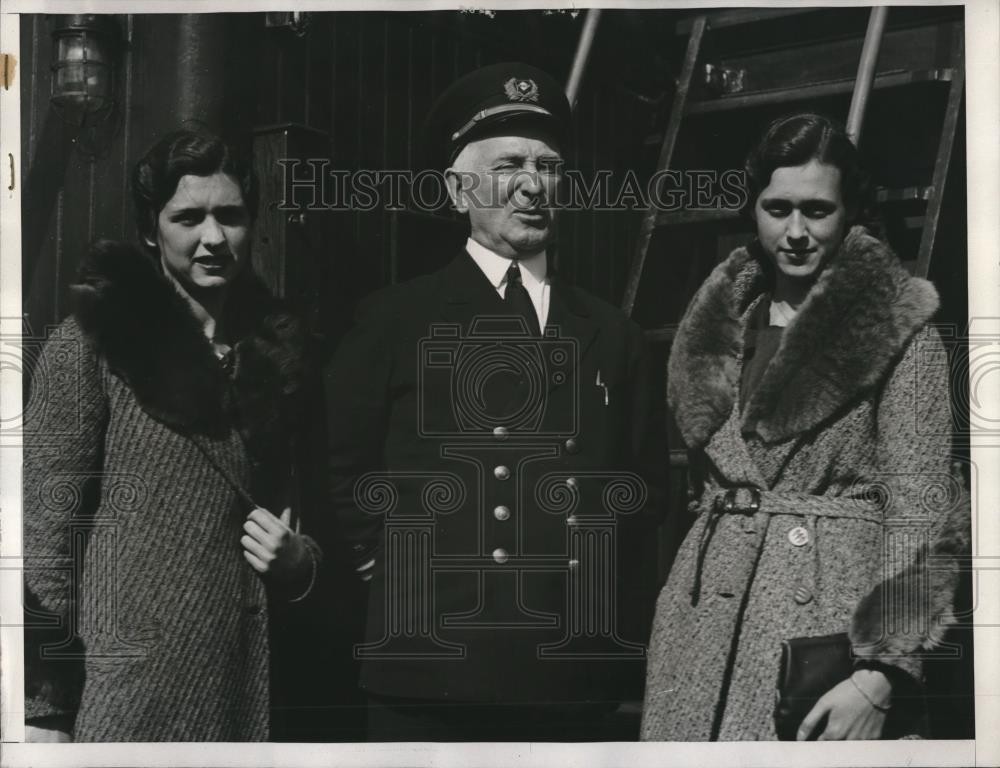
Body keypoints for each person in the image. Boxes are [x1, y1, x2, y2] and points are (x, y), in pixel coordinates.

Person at [324, 62, 667, 741]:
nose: (534, 186)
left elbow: (643, 491)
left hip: (568, 672)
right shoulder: (395, 319)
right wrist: (393, 574)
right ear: (458, 189)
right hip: (432, 668)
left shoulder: (613, 334)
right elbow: (340, 467)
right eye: (510, 164)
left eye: (549, 166)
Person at [640, 113, 969, 741]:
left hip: (823, 637)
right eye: (778, 207)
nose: (795, 232)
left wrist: (880, 674)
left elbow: (922, 514)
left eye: (817, 210)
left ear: (848, 215)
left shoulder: (900, 330)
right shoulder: (718, 323)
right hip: (701, 619)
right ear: (755, 210)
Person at [22, 128, 323, 742]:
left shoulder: (283, 360)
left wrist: (300, 564)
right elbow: (43, 542)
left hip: (249, 690)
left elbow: (315, 524)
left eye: (231, 216)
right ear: (151, 229)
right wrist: (43, 710)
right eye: (188, 217)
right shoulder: (92, 345)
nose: (213, 238)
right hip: (128, 699)